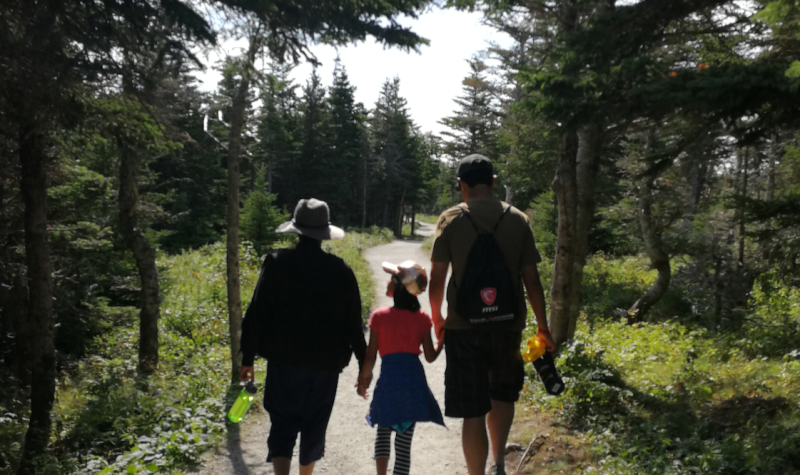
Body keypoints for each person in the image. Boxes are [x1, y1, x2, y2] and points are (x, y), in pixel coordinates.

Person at [428, 154, 556, 475]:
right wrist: (543, 327)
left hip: (463, 328)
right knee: (502, 395)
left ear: (462, 185)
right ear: (494, 182)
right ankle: (498, 463)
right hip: (508, 325)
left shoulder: (449, 219)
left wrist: (437, 319)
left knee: (472, 410)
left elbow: (437, 280)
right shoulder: (518, 219)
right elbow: (532, 280)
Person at [240, 198, 366, 475]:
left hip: (284, 363)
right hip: (325, 367)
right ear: (324, 232)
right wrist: (363, 366)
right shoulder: (341, 271)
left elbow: (257, 314)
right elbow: (354, 325)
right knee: (314, 427)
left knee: (282, 425)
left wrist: (247, 359)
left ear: (296, 230)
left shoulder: (276, 264)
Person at [357, 260, 445, 475]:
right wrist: (442, 339)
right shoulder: (422, 318)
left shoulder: (379, 317)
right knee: (404, 445)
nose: (389, 282)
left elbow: (370, 357)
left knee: (383, 433)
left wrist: (363, 380)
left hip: (388, 383)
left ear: (399, 286)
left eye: (392, 279)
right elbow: (431, 357)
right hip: (413, 385)